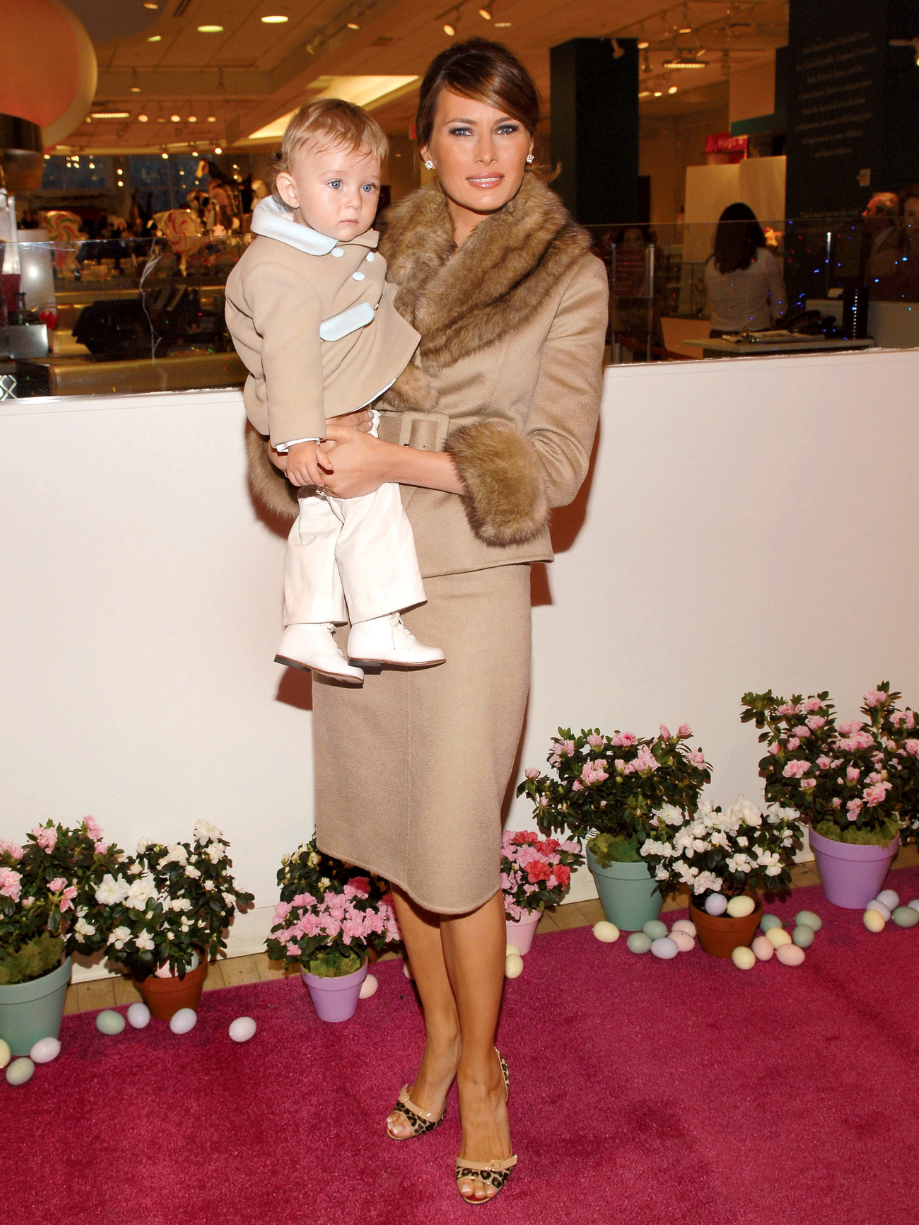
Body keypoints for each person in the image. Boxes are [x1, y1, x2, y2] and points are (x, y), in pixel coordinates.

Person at [246, 38, 607, 1203]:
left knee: (455, 846)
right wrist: (290, 441)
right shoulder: (358, 238)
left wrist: (392, 453)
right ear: (424, 143)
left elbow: (552, 465)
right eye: (459, 127)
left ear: (532, 140)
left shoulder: (567, 275)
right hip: (365, 573)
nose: (483, 151)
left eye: (504, 127)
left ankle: (485, 1074)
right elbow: (290, 361)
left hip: (472, 578)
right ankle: (440, 1038)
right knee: (400, 837)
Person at [226, 100, 444, 681]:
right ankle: (377, 621)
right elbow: (288, 358)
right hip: (320, 412)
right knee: (374, 505)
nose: (355, 200)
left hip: (328, 406)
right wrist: (298, 438)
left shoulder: (316, 248)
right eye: (335, 183)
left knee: (322, 519)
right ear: (290, 190)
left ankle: (306, 626)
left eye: (368, 186)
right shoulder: (282, 268)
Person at [704, 202, 786, 335]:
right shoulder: (764, 258)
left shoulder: (712, 264)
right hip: (755, 333)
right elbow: (779, 305)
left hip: (718, 334)